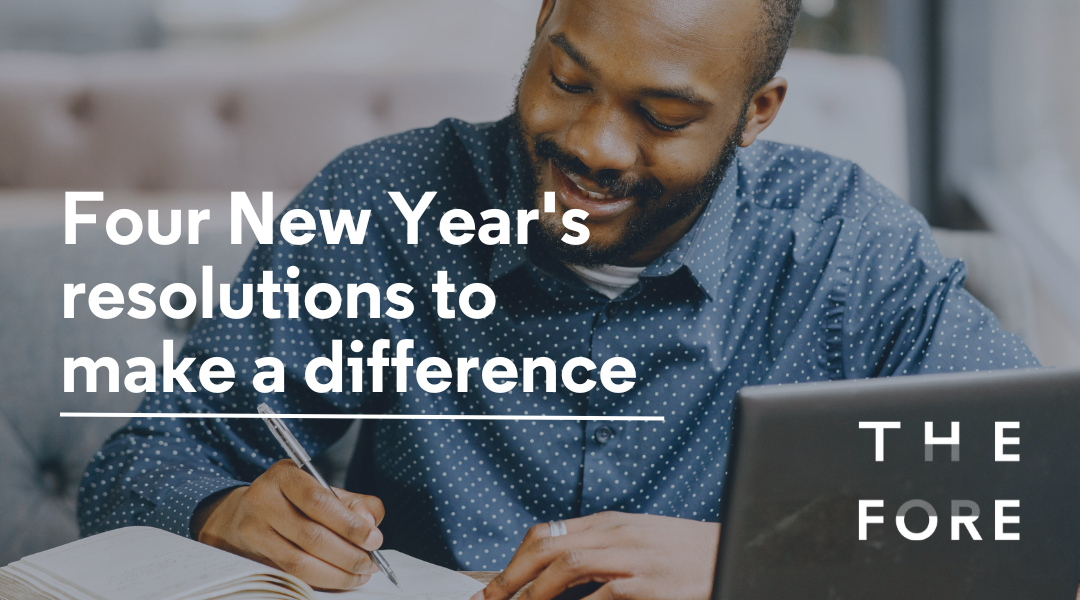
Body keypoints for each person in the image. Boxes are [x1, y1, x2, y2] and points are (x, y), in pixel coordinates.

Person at [78, 0, 1038, 599]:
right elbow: (141, 461)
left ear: (758, 113)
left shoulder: (844, 248)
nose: (594, 146)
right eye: (567, 79)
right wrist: (220, 507)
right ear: (540, 23)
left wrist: (761, 561)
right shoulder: (383, 204)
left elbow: (1040, 502)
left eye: (663, 117)